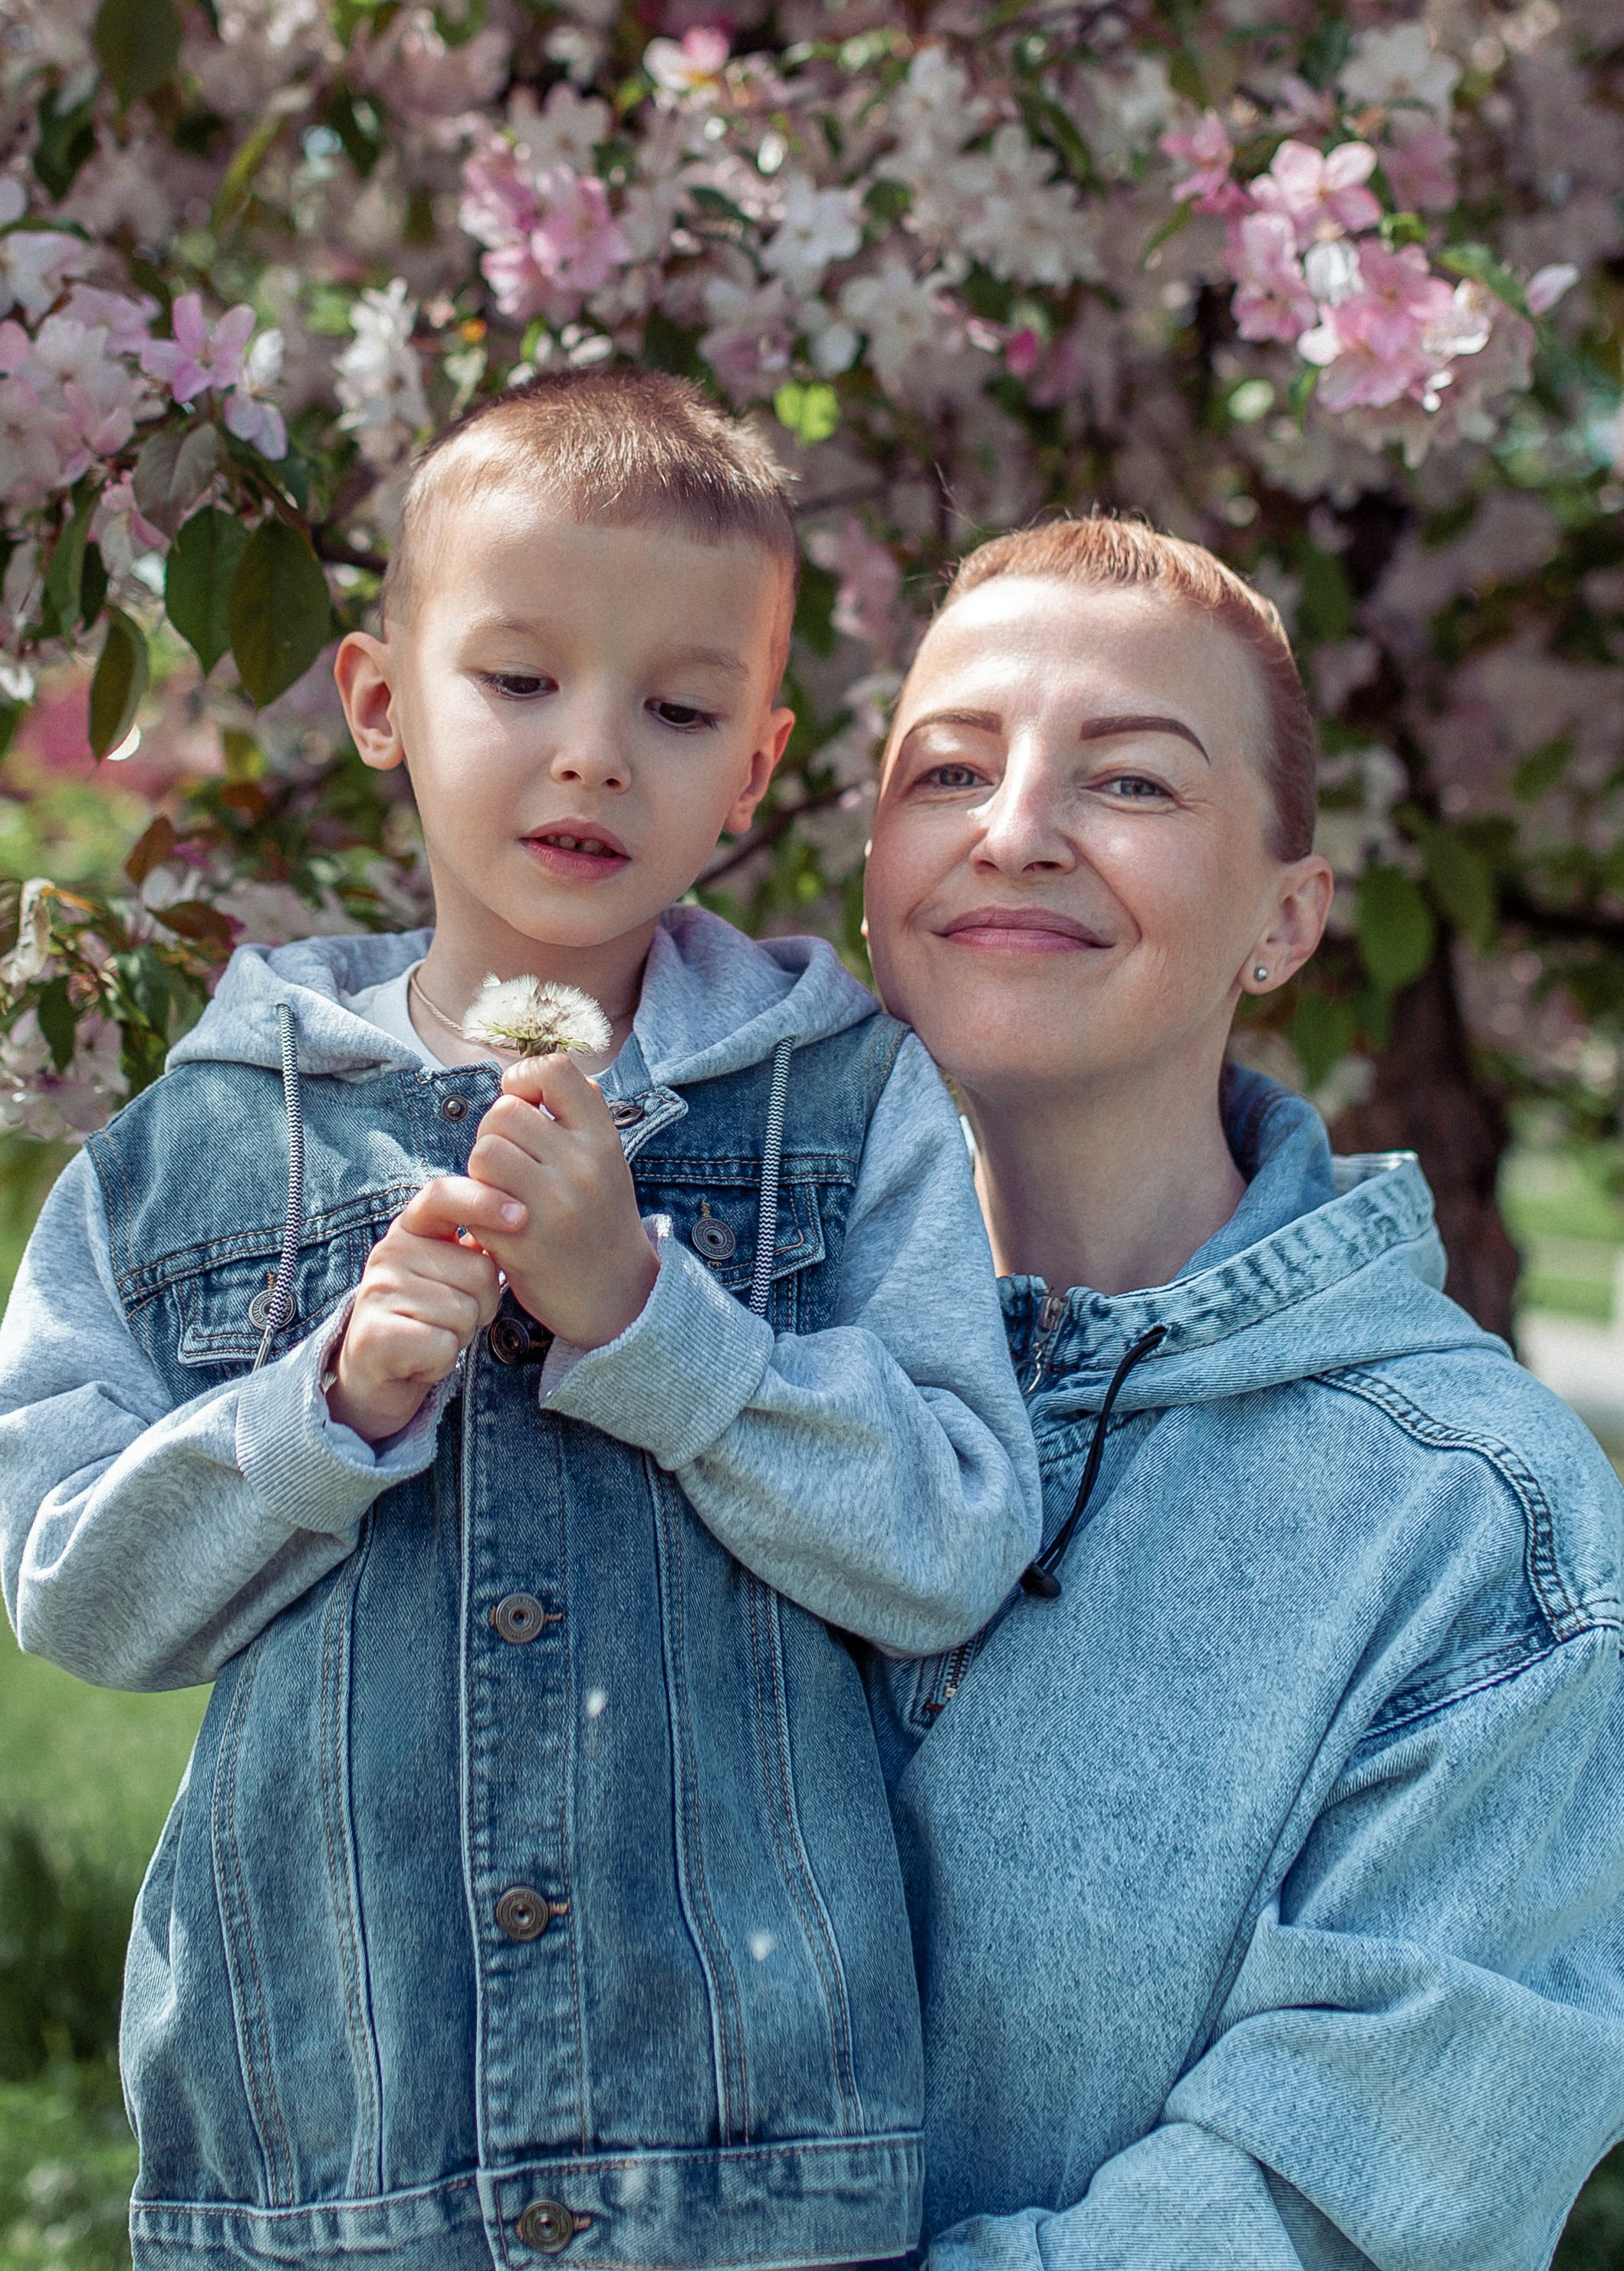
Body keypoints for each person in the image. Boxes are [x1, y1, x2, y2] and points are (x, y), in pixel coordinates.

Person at [0, 370, 1040, 2271]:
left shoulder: (841, 1103)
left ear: (755, 768)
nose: (592, 756)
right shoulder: (210, 1141)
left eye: (678, 710)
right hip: (331, 2171)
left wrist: (651, 1323)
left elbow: (952, 1539)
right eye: (519, 679)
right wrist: (318, 1408)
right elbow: (69, 1589)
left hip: (747, 2181)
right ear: (379, 698)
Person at [861, 515, 1624, 2271]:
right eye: (948, 769)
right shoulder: (704, 1362)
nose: (1014, 828)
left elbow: (1334, 2217)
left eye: (1130, 781)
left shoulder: (1475, 1523)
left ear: (1285, 920)